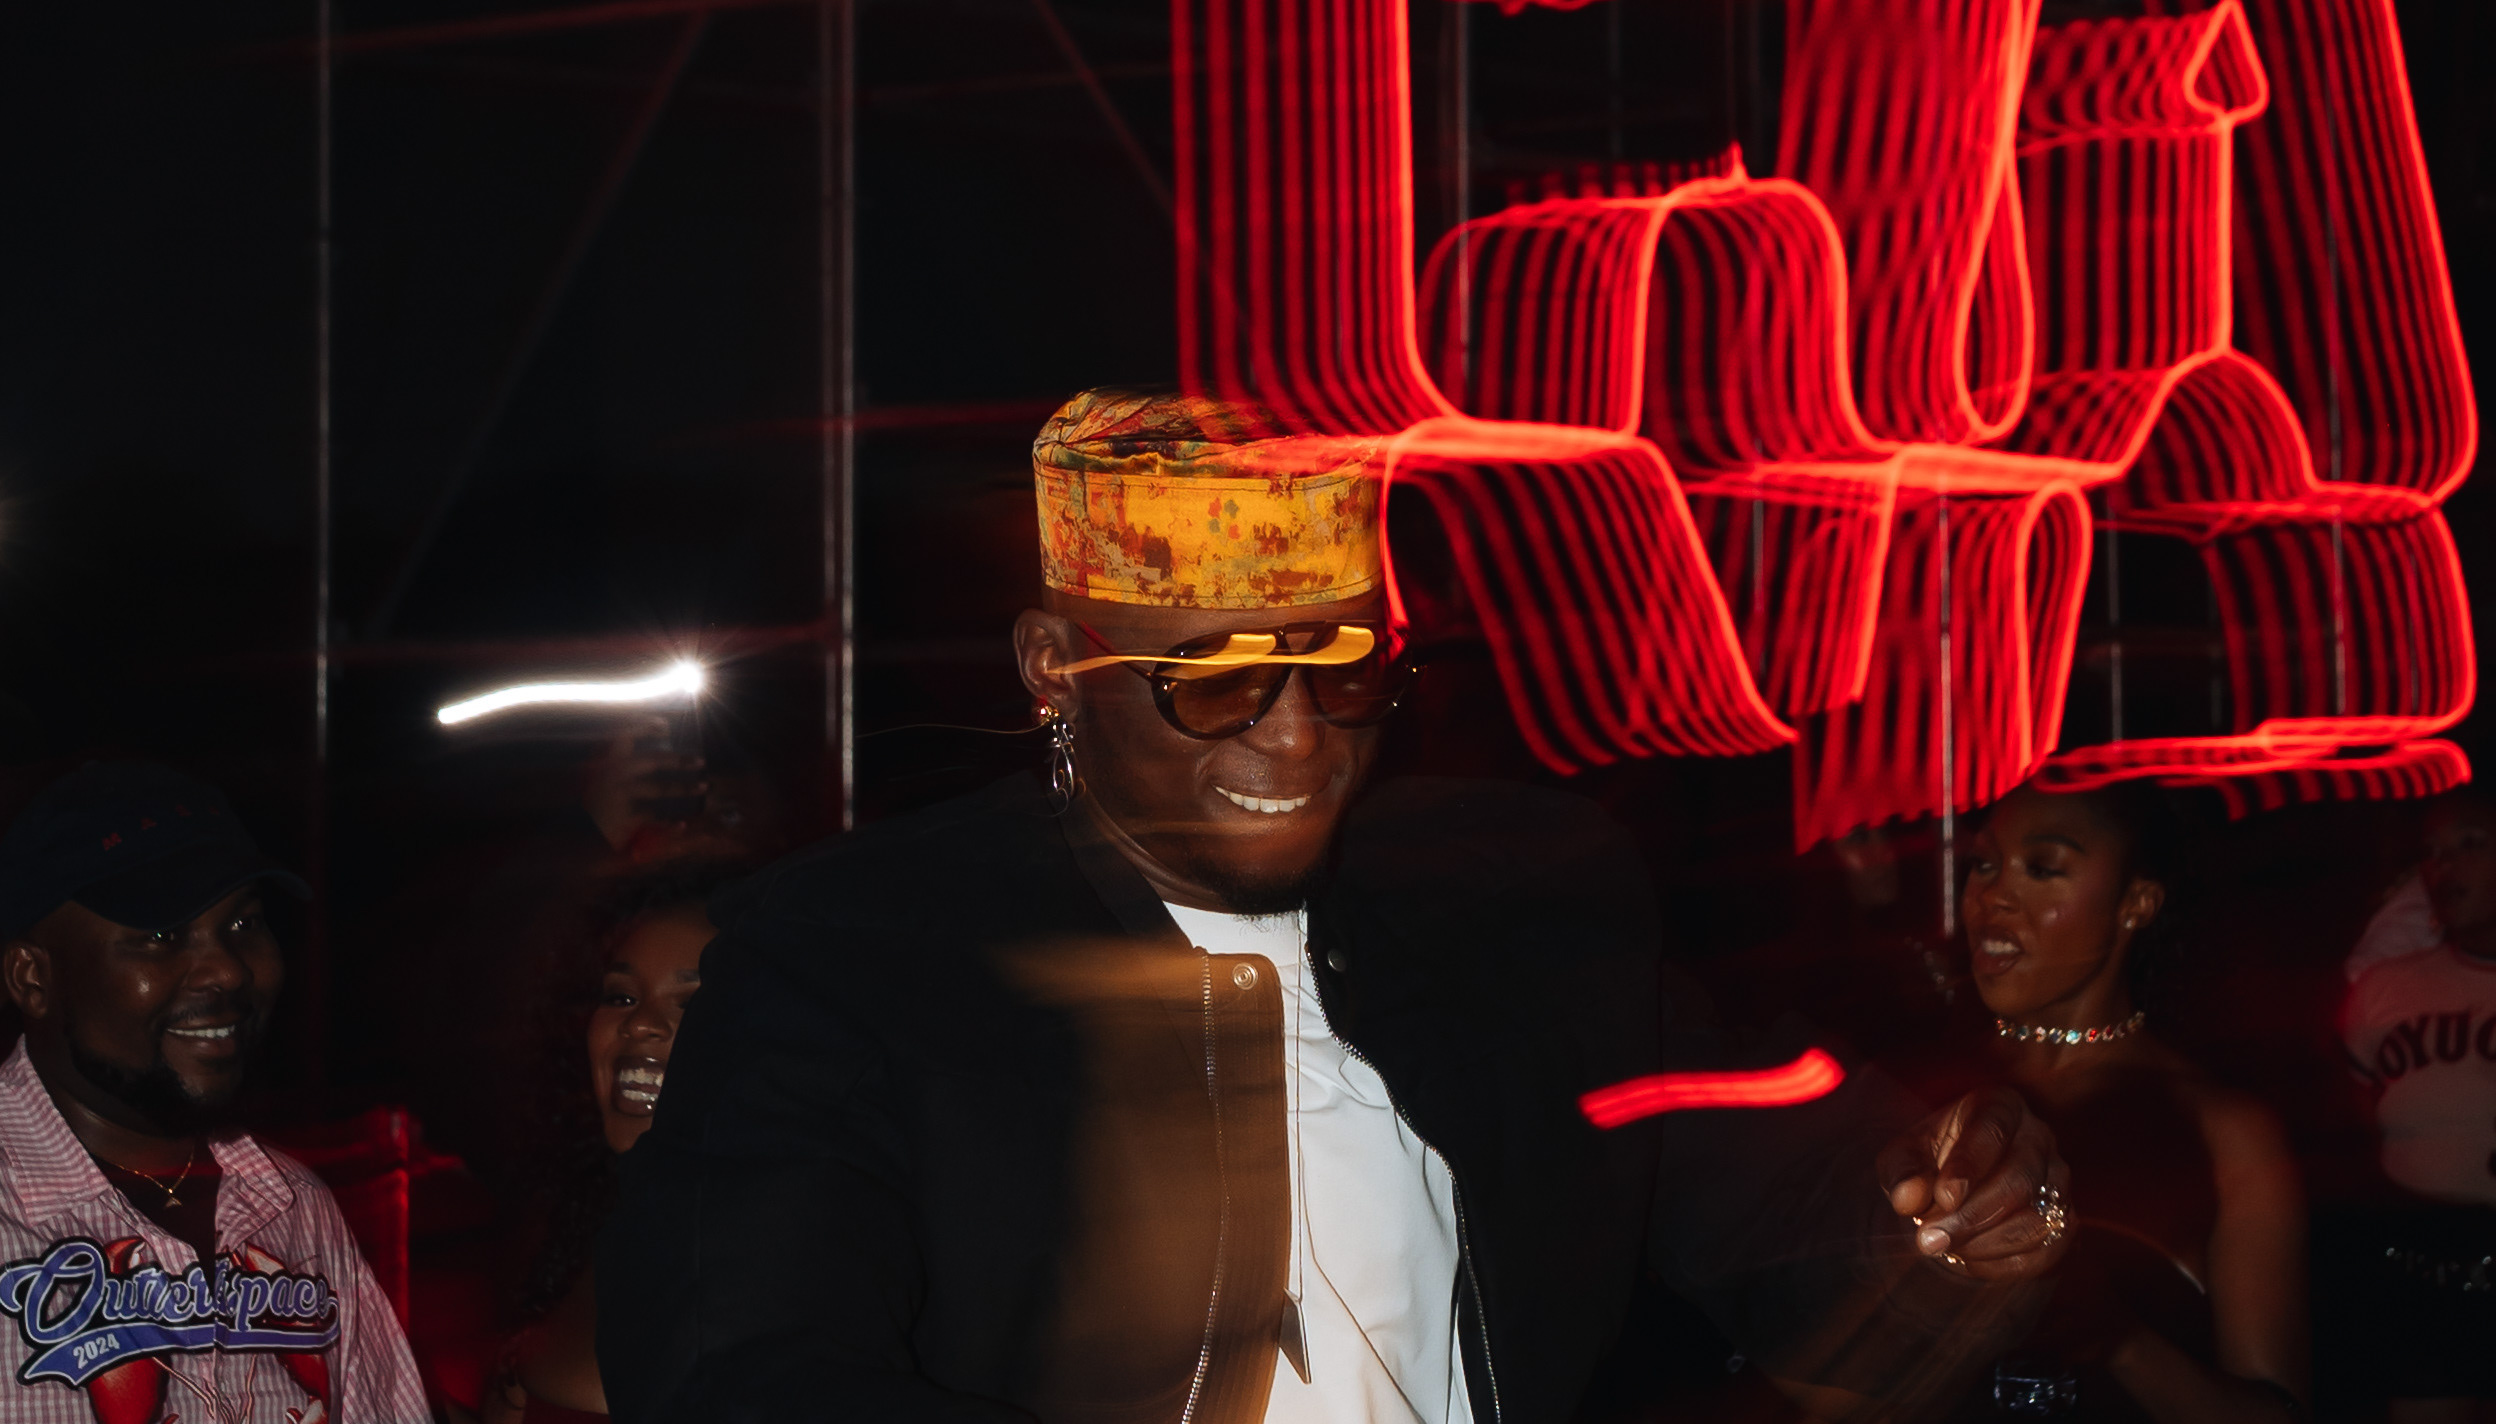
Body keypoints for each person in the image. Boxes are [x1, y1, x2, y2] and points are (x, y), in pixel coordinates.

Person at [599, 389, 2071, 1424]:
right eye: (1218, 682)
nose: (1299, 737)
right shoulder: (855, 955)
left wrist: (1949, 1208)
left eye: (1345, 665)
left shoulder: (1517, 906)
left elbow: (1776, 1203)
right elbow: (742, 1368)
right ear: (1054, 665)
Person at [0, 760, 427, 1422]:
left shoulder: (297, 1207)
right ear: (33, 977)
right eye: (160, 936)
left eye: (243, 924)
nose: (226, 970)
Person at [1953, 780, 2307, 1422]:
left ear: (2137, 903)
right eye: (1983, 864)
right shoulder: (1923, 1091)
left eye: (2043, 868)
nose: (1992, 895)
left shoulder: (2223, 1128)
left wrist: (2116, 1338)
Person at [476, 859, 741, 1424]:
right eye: (620, 997)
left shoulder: (789, 1261)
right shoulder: (588, 1230)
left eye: (690, 1001)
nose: (640, 1023)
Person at [2337, 781, 2496, 1424]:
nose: (2443, 866)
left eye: (2470, 844)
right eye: (2430, 852)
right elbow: (2356, 1125)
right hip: (2422, 1275)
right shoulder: (2381, 989)